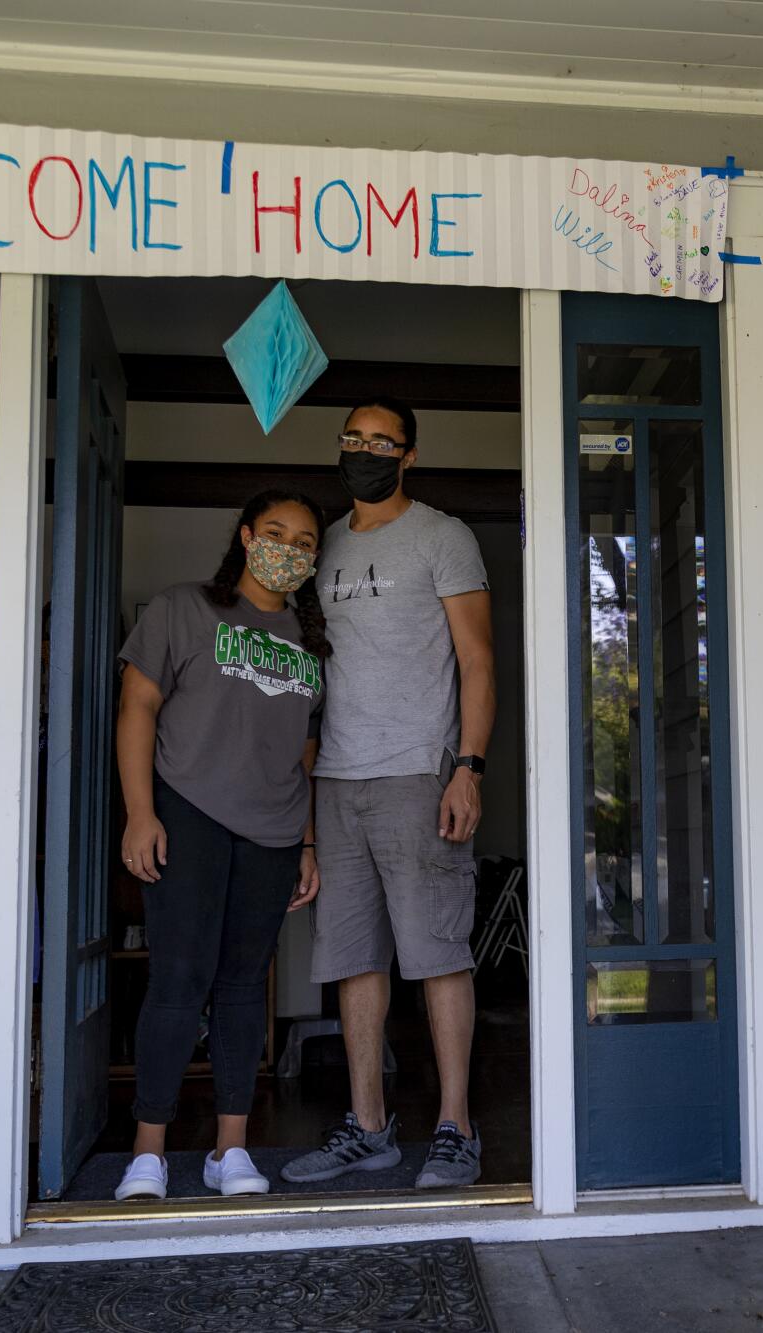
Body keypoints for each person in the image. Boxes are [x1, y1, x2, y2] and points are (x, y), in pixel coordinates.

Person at [281, 395, 495, 1190]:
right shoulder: (322, 542)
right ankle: (367, 1126)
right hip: (336, 776)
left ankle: (455, 1127)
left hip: (418, 769)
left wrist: (467, 765)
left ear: (408, 455)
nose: (364, 450)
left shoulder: (443, 536)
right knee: (351, 954)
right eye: (353, 438)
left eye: (382, 441)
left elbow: (477, 658)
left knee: (437, 950)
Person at [110, 491, 328, 1201]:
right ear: (244, 536)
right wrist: (140, 812)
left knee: (243, 988)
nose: (288, 550)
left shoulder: (311, 637)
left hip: (272, 828)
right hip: (189, 809)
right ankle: (149, 1149)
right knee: (179, 977)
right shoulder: (184, 607)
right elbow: (137, 705)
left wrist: (307, 840)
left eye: (304, 541)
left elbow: (306, 746)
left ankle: (229, 1149)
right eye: (274, 533)